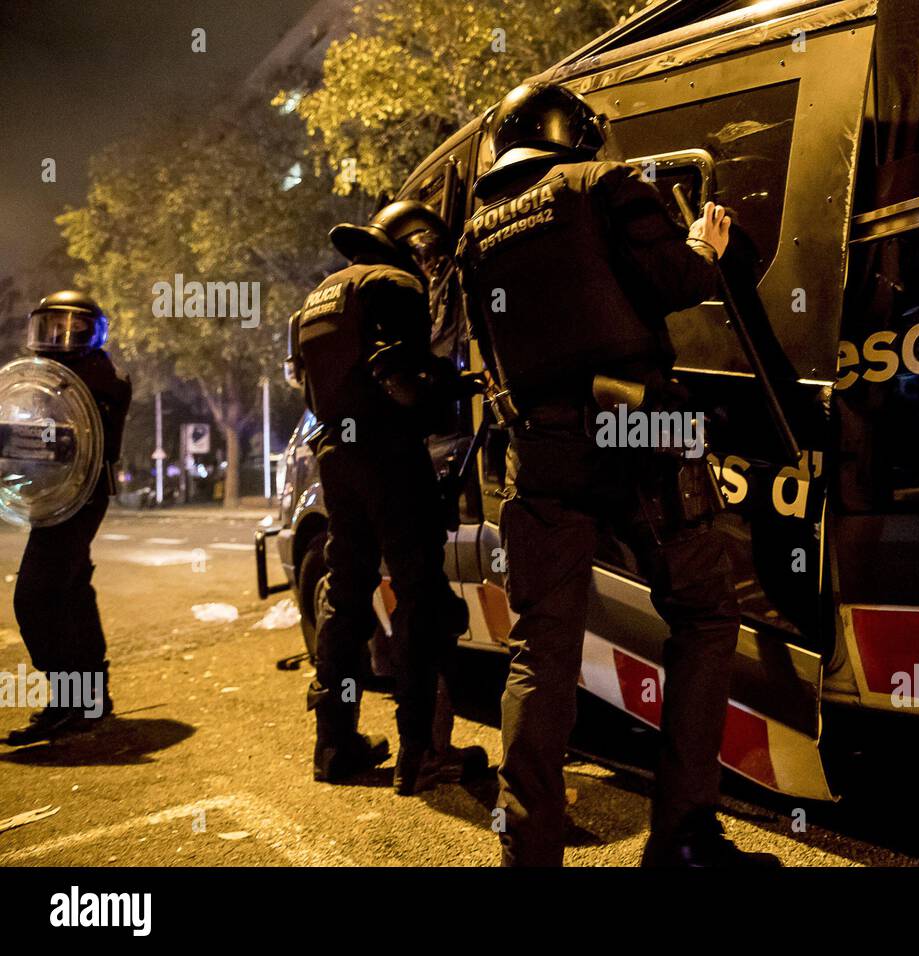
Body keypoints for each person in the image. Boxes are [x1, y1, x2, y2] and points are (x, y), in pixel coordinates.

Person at [457, 81, 781, 867]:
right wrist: (707, 242)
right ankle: (683, 836)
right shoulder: (600, 184)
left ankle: (528, 853)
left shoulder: (474, 236)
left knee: (540, 650)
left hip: (541, 449)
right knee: (703, 616)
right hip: (638, 428)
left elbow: (487, 355)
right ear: (572, 132)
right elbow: (677, 283)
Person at [298, 200, 482, 795]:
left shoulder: (319, 298)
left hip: (336, 456)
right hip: (389, 455)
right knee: (419, 597)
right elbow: (399, 375)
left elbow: (310, 392)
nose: (429, 267)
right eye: (424, 254)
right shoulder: (394, 283)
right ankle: (421, 754)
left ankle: (334, 744)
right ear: (406, 246)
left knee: (345, 596)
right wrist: (450, 391)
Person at [6, 292, 131, 745]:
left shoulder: (97, 379)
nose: (59, 336)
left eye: (71, 327)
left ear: (91, 332)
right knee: (73, 589)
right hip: (61, 495)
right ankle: (92, 699)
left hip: (77, 495)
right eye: (50, 326)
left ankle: (69, 700)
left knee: (36, 598)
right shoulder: (66, 377)